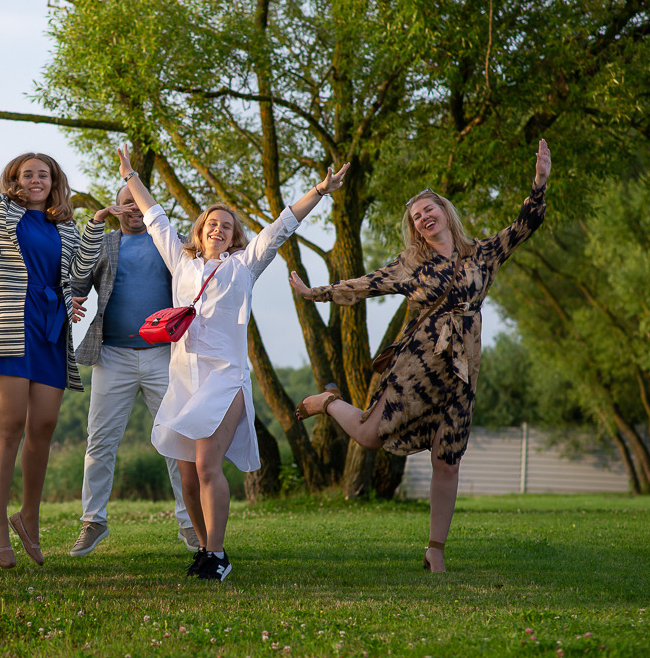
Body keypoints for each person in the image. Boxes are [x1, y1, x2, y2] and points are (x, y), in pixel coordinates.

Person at [291, 139, 551, 574]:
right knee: (371, 436)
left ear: (445, 213)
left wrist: (539, 184)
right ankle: (328, 402)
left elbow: (523, 226)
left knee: (447, 460)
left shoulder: (482, 256)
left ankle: (436, 551)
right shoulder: (410, 265)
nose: (424, 217)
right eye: (416, 217)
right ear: (415, 228)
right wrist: (316, 292)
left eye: (429, 210)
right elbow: (364, 284)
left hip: (462, 372)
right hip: (418, 367)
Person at [117, 145, 348, 581]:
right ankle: (206, 550)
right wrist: (131, 176)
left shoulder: (245, 265)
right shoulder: (181, 262)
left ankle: (218, 554)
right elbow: (154, 216)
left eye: (227, 226)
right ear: (200, 231)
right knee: (187, 477)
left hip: (225, 380)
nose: (218, 230)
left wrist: (320, 190)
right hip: (183, 379)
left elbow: (283, 225)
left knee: (207, 465)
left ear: (235, 236)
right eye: (212, 224)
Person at [0, 81, 118, 569]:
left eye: (44, 175)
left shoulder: (66, 227)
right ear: (15, 180)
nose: (36, 180)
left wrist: (94, 229)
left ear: (54, 183)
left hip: (50, 330)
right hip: (10, 326)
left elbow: (76, 277)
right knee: (8, 426)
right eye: (28, 174)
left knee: (44, 426)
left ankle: (29, 517)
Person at [68, 185, 197, 557]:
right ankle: (93, 521)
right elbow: (77, 282)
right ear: (118, 207)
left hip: (164, 356)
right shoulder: (106, 243)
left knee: (177, 439)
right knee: (100, 441)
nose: (133, 209)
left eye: (139, 203)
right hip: (113, 356)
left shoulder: (172, 242)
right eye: (126, 204)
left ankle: (189, 523)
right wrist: (92, 225)